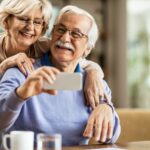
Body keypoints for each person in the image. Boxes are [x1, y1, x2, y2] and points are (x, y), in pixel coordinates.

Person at [0, 5, 120, 146]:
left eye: (76, 34)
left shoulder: (94, 84)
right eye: (61, 30)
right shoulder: (19, 72)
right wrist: (20, 94)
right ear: (51, 35)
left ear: (87, 48)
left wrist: (107, 109)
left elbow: (110, 138)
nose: (65, 38)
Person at [0, 0, 109, 109]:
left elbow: (80, 62)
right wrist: (4, 66)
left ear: (43, 28)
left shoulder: (46, 45)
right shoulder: (13, 73)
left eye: (37, 22)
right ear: (6, 21)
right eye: (23, 19)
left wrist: (94, 75)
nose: (30, 27)